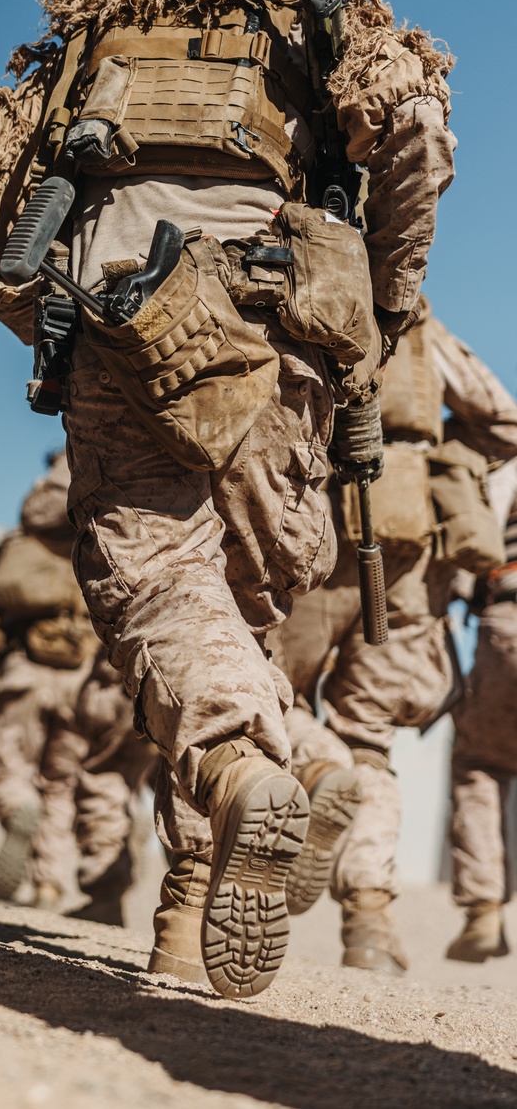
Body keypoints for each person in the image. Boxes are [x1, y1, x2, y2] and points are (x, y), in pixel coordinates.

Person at [0, 0, 455, 996]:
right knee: (236, 607)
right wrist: (382, 301)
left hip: (125, 321)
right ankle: (211, 884)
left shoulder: (93, 17)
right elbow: (419, 131)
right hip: (283, 338)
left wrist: (55, 321)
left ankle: (242, 779)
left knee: (156, 590)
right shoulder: (321, 11)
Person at [271, 303, 517, 973]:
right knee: (371, 735)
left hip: (308, 528)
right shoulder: (419, 327)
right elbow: (502, 421)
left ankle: (319, 767)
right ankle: (370, 922)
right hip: (408, 548)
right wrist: (433, 465)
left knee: (266, 690)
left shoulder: (294, 297)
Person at [0, 450, 98, 908]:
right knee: (62, 781)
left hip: (24, 668)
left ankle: (15, 806)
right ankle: (49, 882)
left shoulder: (27, 536)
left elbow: (0, 603)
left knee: (8, 764)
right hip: (82, 677)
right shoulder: (105, 534)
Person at [447, 457, 517, 962]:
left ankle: (483, 909)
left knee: (480, 765)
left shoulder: (509, 467)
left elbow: (476, 533)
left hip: (509, 623)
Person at [67, 649, 159, 926]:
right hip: (180, 684)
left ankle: (106, 897)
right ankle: (189, 912)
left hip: (119, 681)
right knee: (185, 794)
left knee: (106, 780)